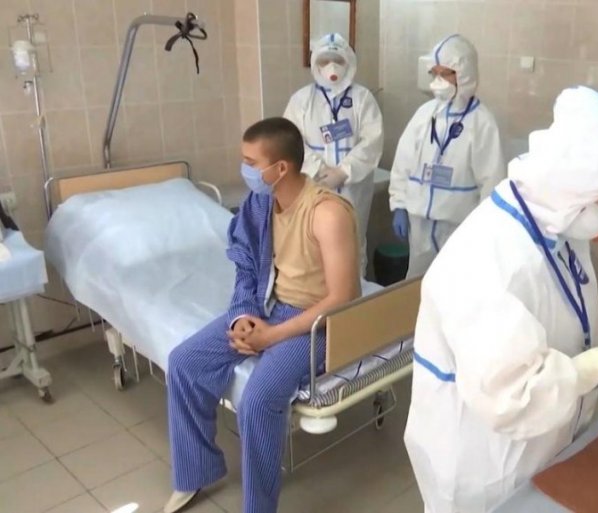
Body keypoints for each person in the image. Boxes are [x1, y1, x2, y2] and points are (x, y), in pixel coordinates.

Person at [403, 86, 598, 513]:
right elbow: (513, 395)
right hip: (483, 465)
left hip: (541, 443)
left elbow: (569, 315)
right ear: (576, 181)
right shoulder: (485, 258)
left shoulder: (560, 226)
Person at [164, 118, 361, 513]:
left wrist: (271, 336)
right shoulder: (259, 204)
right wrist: (242, 317)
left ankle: (259, 507)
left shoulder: (326, 213)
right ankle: (196, 471)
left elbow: (344, 297)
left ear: (281, 168)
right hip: (266, 304)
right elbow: (247, 268)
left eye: (250, 162)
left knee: (256, 401)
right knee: (183, 362)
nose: (244, 169)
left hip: (316, 322)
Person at [388, 34, 505, 278]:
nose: (439, 80)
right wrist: (399, 204)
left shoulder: (481, 122)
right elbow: (403, 162)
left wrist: (484, 227)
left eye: (446, 73)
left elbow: (491, 180)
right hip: (420, 222)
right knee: (416, 285)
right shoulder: (425, 114)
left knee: (455, 285)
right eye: (435, 73)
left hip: (458, 225)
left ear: (465, 74)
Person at [284, 33, 383, 275]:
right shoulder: (301, 100)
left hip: (353, 188)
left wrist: (344, 171)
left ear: (349, 62)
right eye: (324, 61)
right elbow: (292, 141)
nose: (332, 67)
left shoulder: (362, 98)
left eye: (338, 60)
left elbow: (372, 140)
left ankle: (354, 292)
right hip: (314, 185)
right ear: (315, 63)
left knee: (353, 243)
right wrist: (318, 170)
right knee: (315, 242)